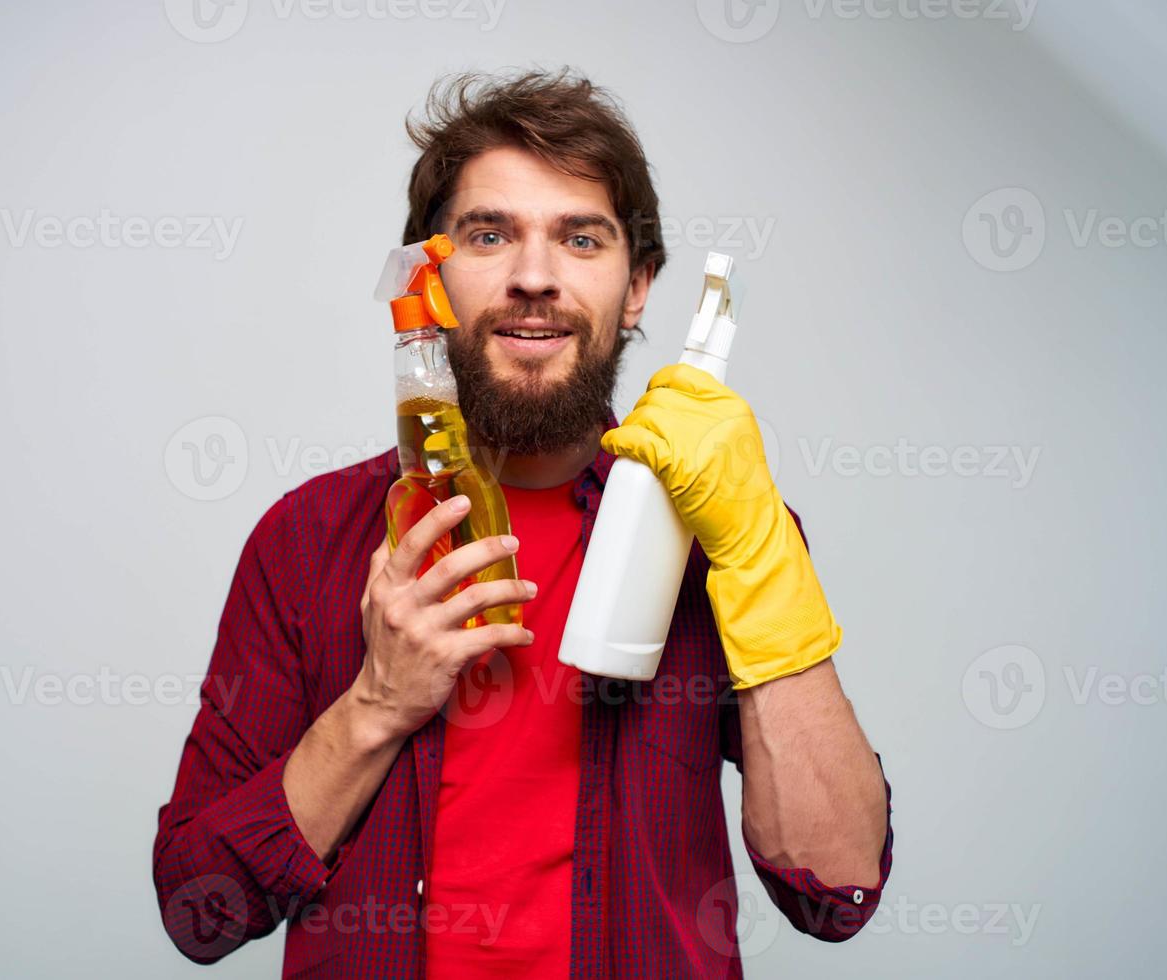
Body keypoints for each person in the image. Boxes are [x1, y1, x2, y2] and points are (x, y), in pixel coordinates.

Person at [153, 67, 892, 978]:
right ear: (431, 277)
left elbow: (836, 890)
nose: (535, 277)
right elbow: (201, 909)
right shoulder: (306, 542)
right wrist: (378, 703)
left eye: (581, 239)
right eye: (490, 234)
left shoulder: (730, 538)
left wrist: (756, 548)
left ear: (638, 287)